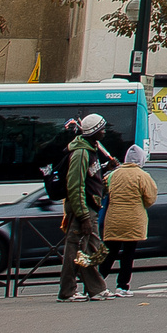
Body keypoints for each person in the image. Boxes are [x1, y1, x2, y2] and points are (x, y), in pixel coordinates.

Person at [56, 113, 109, 303]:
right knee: (75, 250)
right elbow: (75, 186)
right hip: (83, 208)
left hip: (90, 207)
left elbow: (92, 181)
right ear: (94, 132)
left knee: (88, 249)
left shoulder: (90, 150)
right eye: (102, 129)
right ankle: (68, 291)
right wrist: (83, 216)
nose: (104, 132)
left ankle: (95, 289)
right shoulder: (81, 153)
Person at [100, 142, 157, 295]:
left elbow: (103, 191)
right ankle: (122, 286)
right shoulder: (142, 176)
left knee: (110, 252)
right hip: (133, 219)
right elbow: (150, 199)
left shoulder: (113, 174)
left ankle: (97, 283)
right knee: (128, 254)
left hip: (113, 219)